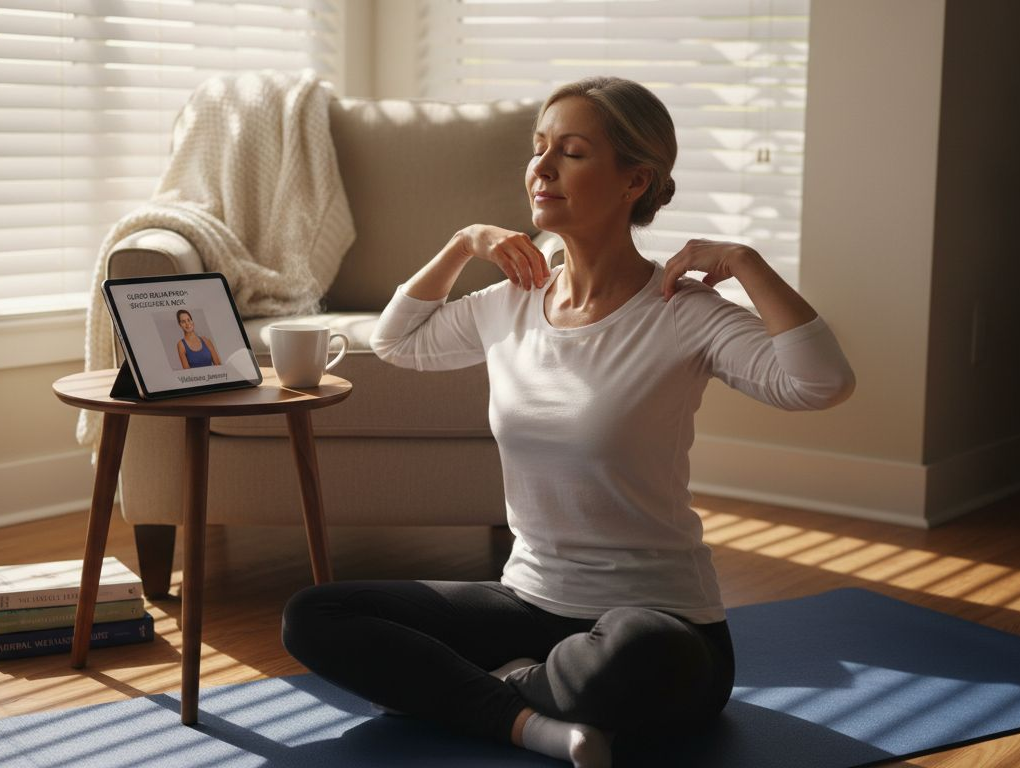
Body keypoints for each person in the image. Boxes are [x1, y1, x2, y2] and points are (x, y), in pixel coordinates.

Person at [281, 76, 855, 767]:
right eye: (539, 149)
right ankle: (529, 720)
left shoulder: (681, 313)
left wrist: (744, 262)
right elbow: (396, 342)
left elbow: (821, 383)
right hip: (528, 601)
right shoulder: (513, 301)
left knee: (643, 653)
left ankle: (480, 690)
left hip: (657, 621)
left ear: (635, 180)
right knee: (315, 616)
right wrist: (463, 244)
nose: (542, 168)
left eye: (573, 152)